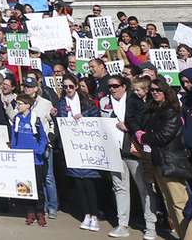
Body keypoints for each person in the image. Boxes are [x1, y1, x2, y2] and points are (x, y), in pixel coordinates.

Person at [102, 74, 158, 239]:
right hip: (114, 150)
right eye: (110, 86)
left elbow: (145, 121)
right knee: (119, 187)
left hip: (134, 149)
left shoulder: (135, 99)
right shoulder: (105, 102)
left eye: (115, 86)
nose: (112, 89)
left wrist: (130, 127)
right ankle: (122, 224)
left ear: (124, 86)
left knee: (144, 188)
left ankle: (150, 226)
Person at [143, 77, 192, 232]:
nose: (155, 93)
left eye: (158, 90)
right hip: (159, 160)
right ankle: (180, 233)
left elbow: (164, 136)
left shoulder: (171, 110)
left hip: (172, 161)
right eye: (152, 90)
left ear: (166, 91)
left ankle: (189, 235)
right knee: (167, 201)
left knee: (179, 202)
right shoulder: (154, 109)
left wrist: (144, 137)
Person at [57, 73, 105, 231]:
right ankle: (86, 214)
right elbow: (60, 123)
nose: (68, 89)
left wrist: (83, 117)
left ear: (76, 86)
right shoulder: (61, 103)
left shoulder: (87, 102)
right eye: (65, 87)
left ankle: (94, 215)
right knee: (78, 182)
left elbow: (96, 118)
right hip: (72, 148)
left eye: (71, 86)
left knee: (89, 182)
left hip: (88, 146)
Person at [11, 92, 50, 226]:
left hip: (35, 159)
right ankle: (30, 212)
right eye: (17, 103)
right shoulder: (16, 119)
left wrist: (39, 150)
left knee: (38, 187)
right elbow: (14, 138)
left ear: (28, 105)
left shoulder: (36, 119)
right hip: (22, 159)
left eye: (20, 103)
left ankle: (40, 212)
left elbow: (43, 138)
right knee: (24, 186)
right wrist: (15, 151)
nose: (18, 105)